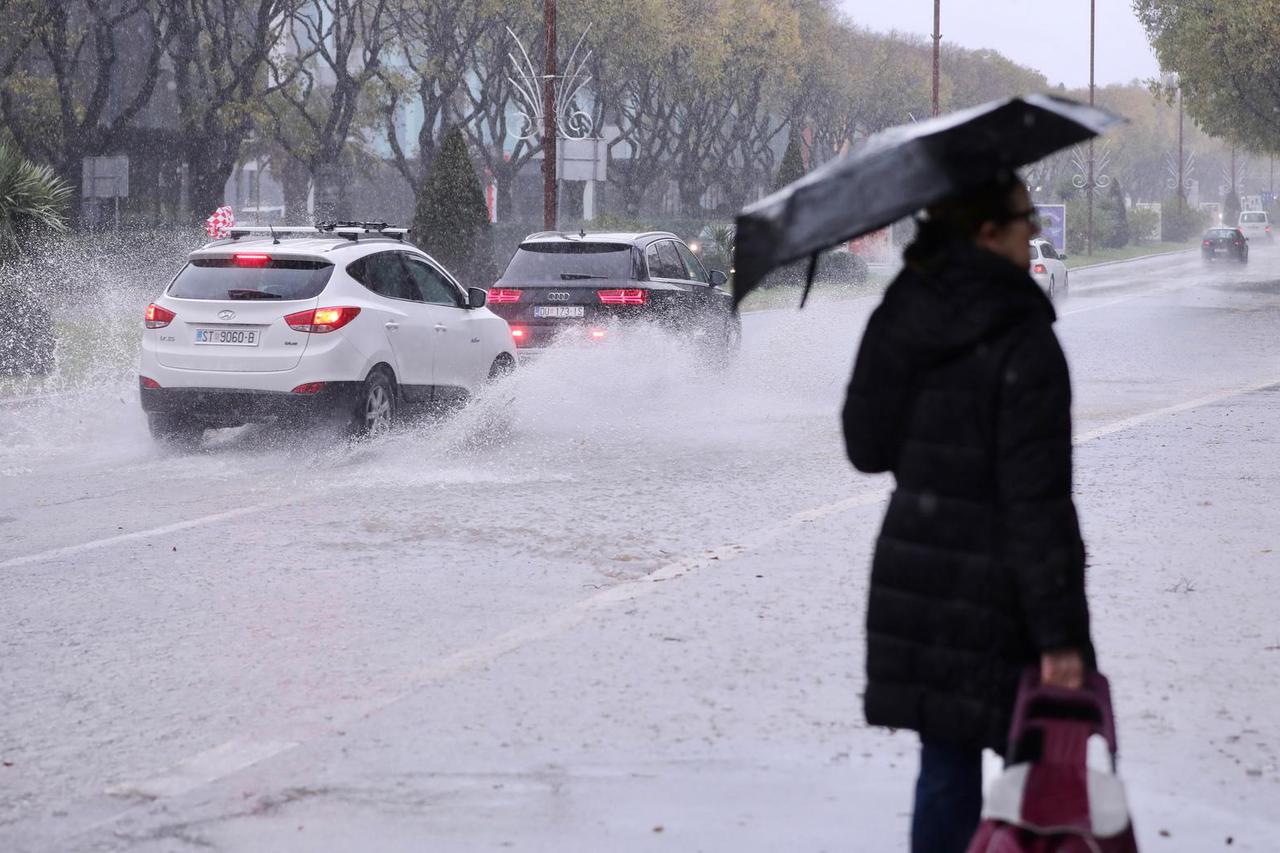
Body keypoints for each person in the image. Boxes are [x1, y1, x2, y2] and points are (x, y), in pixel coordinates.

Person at [841, 173, 1095, 853]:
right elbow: (1036, 500)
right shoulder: (1025, 336)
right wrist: (1061, 634)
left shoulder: (903, 312)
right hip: (1004, 588)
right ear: (987, 232)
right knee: (1035, 778)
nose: (1035, 231)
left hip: (921, 577)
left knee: (945, 766)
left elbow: (865, 447)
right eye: (1024, 218)